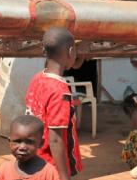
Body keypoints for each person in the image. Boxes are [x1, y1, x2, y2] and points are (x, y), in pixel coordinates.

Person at [26, 27, 82, 180]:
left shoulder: (37, 78)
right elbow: (56, 139)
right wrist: (64, 176)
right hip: (52, 166)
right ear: (71, 52)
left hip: (35, 157)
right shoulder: (60, 91)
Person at [0, 115, 60, 180]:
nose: (22, 147)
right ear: (10, 141)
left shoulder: (49, 173)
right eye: (17, 141)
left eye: (29, 142)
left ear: (41, 143)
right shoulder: (5, 170)